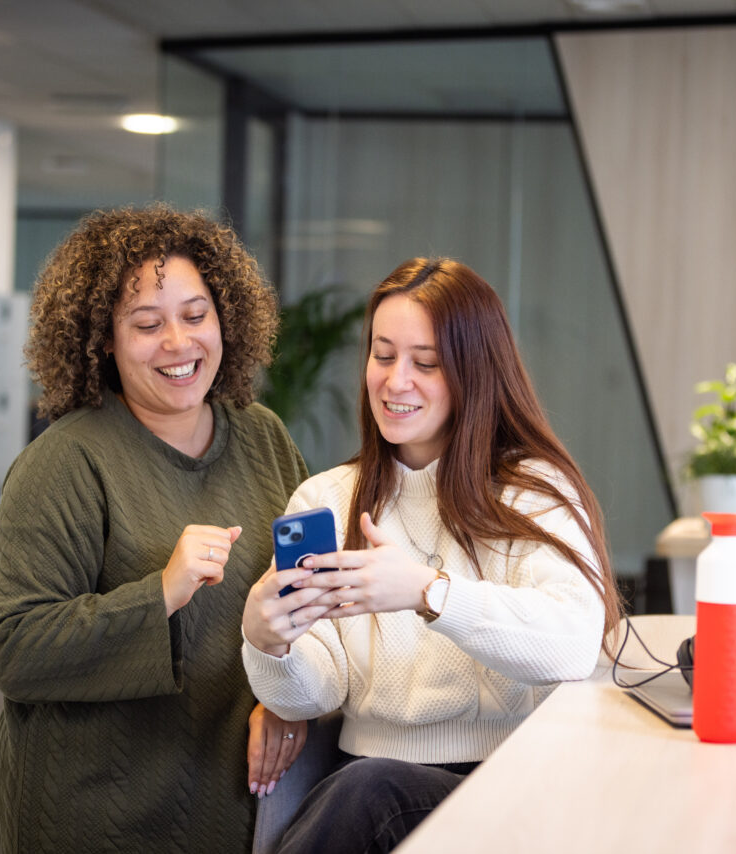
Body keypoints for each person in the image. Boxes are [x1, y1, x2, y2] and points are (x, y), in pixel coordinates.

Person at [241, 257, 624, 853]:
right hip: (361, 780)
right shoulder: (328, 499)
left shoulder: (532, 492)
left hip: (504, 783)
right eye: (382, 355)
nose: (395, 382)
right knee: (366, 786)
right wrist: (270, 643)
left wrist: (427, 593)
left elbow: (574, 642)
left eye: (426, 363)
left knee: (369, 790)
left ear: (475, 372)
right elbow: (312, 693)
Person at [0, 204, 311, 853]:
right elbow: (14, 649)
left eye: (195, 316)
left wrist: (289, 698)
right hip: (104, 813)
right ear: (103, 337)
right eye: (146, 324)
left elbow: (309, 594)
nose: (179, 343)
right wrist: (161, 591)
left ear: (226, 319)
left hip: (235, 803)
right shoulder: (65, 463)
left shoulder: (262, 436)